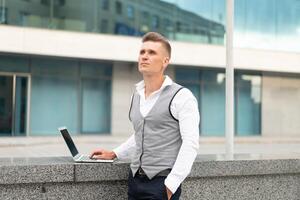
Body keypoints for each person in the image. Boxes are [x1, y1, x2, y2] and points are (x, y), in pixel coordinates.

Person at [90, 32, 199, 200]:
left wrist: (171, 184)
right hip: (135, 182)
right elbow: (141, 134)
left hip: (161, 184)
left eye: (152, 53)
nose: (145, 57)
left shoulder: (182, 96)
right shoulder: (137, 95)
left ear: (165, 61)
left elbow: (190, 143)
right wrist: (115, 153)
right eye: (142, 52)